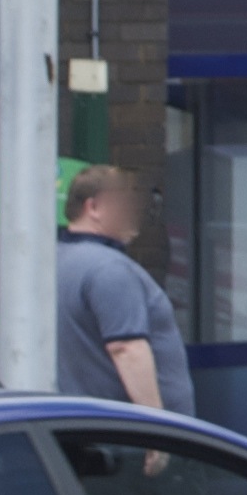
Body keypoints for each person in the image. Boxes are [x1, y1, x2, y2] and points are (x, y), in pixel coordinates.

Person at [54, 166, 185, 413]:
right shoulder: (109, 268)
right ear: (93, 207)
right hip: (126, 438)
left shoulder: (54, 261)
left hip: (84, 426)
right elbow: (126, 349)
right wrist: (158, 427)